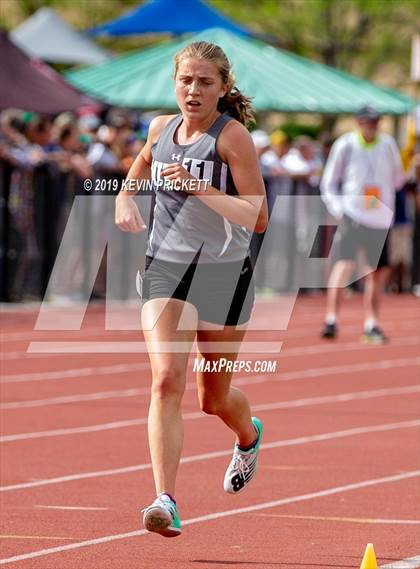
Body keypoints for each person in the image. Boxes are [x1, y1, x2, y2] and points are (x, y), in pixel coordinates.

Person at [115, 41, 268, 538]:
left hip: (224, 273)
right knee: (165, 381)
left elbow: (258, 216)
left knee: (213, 399)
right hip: (167, 269)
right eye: (185, 80)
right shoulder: (161, 128)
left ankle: (248, 435)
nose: (193, 90)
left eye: (205, 82)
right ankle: (166, 499)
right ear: (174, 83)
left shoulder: (233, 138)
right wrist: (125, 198)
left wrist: (201, 187)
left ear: (223, 88)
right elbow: (141, 161)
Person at [320, 105, 404, 342]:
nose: (371, 126)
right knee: (344, 265)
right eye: (367, 122)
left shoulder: (388, 145)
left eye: (375, 121)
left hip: (379, 218)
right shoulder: (345, 145)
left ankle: (371, 323)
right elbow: (329, 182)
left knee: (375, 272)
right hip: (353, 215)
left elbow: (398, 179)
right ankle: (331, 319)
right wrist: (338, 208)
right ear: (358, 123)